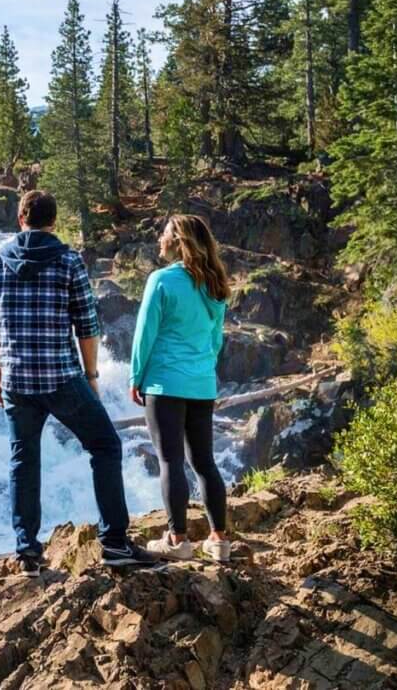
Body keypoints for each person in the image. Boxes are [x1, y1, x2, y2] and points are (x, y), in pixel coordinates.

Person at [0, 190, 155, 577]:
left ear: (20, 219)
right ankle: (115, 543)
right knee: (105, 445)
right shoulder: (68, 261)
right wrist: (92, 377)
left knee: (23, 461)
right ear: (53, 222)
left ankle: (27, 552)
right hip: (60, 377)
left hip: (17, 382)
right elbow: (87, 326)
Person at [129, 214, 231, 562]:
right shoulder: (215, 284)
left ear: (178, 241)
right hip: (202, 384)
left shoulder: (161, 280)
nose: (160, 238)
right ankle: (219, 541)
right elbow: (216, 340)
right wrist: (202, 371)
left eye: (165, 234)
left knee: (170, 460)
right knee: (204, 462)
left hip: (164, 383)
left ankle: (178, 540)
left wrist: (136, 376)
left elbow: (145, 334)